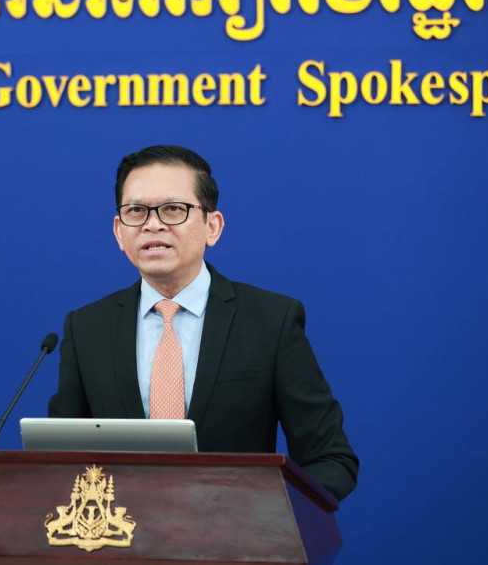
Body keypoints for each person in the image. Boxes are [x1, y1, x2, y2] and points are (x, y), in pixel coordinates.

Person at [47, 145, 358, 501]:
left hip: (238, 531)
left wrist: (265, 515)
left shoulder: (271, 322)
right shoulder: (87, 328)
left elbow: (331, 460)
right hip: (121, 532)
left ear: (213, 227)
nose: (153, 224)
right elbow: (57, 459)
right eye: (136, 211)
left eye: (173, 209)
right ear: (119, 231)